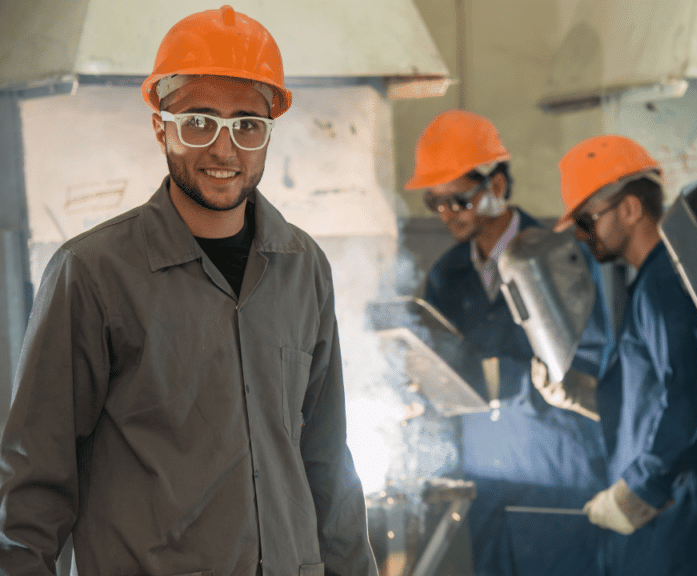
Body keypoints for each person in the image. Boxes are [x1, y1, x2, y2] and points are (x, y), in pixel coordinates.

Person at [0, 7, 377, 576]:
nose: (225, 150)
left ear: (269, 132)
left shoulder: (304, 268)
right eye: (199, 121)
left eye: (247, 125)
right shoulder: (92, 273)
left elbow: (327, 464)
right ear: (161, 127)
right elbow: (34, 485)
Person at [549, 134, 697, 576]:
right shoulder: (670, 277)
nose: (582, 236)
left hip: (692, 524)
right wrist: (583, 395)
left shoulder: (662, 287)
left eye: (587, 221)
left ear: (630, 209)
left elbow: (687, 403)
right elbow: (661, 393)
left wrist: (639, 488)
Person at [404, 110, 613, 576]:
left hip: (556, 474)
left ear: (496, 186)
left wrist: (502, 378)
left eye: (458, 201)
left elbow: (594, 366)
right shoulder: (447, 275)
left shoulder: (559, 257)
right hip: (484, 479)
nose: (447, 215)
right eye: (435, 204)